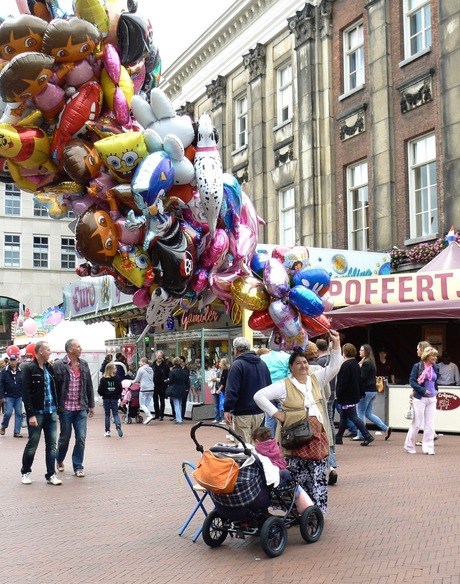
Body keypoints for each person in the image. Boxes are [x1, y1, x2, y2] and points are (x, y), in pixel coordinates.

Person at [254, 330, 342, 513]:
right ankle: (296, 509)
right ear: (291, 366)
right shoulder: (284, 385)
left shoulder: (315, 379)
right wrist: (277, 414)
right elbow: (259, 396)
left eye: (305, 363)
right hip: (295, 436)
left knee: (317, 473)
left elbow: (334, 367)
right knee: (296, 473)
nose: (303, 366)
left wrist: (336, 344)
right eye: (298, 363)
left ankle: (316, 511)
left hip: (317, 435)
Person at [20, 341, 62, 485]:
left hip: (51, 412)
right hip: (37, 412)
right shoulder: (29, 368)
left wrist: (58, 409)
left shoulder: (49, 368)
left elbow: (54, 389)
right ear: (40, 352)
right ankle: (25, 471)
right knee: (33, 443)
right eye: (48, 349)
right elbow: (26, 393)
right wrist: (30, 414)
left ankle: (51, 474)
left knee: (51, 444)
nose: (50, 352)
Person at [54, 339, 95, 478]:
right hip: (65, 408)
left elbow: (89, 385)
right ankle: (59, 459)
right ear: (70, 349)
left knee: (81, 437)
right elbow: (55, 388)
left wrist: (91, 405)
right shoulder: (59, 365)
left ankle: (78, 466)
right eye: (78, 346)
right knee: (65, 437)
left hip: (81, 407)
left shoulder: (84, 364)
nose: (81, 348)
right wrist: (56, 407)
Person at [224, 337, 272, 444]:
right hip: (259, 411)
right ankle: (255, 460)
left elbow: (232, 390)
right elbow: (269, 386)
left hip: (243, 411)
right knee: (256, 443)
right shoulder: (262, 364)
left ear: (236, 350)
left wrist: (227, 408)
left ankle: (247, 461)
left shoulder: (237, 365)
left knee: (243, 445)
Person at [335, 343, 375, 447]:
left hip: (346, 396)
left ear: (344, 353)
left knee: (353, 416)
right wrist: (361, 392)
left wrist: (338, 392)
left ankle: (367, 435)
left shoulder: (345, 365)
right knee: (343, 416)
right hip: (353, 395)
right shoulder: (355, 364)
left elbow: (342, 382)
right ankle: (339, 437)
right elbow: (359, 381)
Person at [404, 346, 439, 455]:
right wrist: (423, 390)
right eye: (433, 355)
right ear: (427, 356)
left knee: (429, 424)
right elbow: (412, 381)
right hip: (420, 398)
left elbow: (435, 382)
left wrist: (435, 392)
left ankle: (428, 448)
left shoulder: (436, 367)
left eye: (435, 355)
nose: (435, 357)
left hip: (432, 399)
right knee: (417, 423)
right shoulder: (417, 366)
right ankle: (409, 445)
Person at [354, 344, 392, 441]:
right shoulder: (372, 362)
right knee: (368, 413)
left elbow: (362, 378)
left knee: (360, 412)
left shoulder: (366, 363)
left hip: (366, 391)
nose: (359, 351)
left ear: (366, 352)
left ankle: (361, 433)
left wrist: (359, 367)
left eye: (361, 350)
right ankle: (385, 428)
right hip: (372, 391)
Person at [316, 338, 338, 486]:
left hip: (318, 400)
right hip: (329, 396)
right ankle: (331, 462)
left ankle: (329, 464)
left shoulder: (319, 364)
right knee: (328, 425)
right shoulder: (331, 361)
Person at [259, 349, 290, 437]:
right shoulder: (287, 357)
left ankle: (269, 440)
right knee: (281, 416)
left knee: (269, 417)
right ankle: (279, 439)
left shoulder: (263, 358)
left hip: (268, 390)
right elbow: (289, 374)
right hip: (282, 389)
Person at [0, 353, 24, 437]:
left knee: (19, 413)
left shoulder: (21, 370)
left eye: (14, 360)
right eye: (11, 360)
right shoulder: (4, 371)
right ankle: (3, 426)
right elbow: (1, 384)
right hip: (8, 396)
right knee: (8, 413)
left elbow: (23, 383)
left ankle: (17, 432)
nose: (12, 362)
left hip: (19, 396)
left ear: (17, 361)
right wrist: (2, 396)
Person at [98, 363, 123, 437]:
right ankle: (118, 426)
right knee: (115, 413)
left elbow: (100, 389)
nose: (116, 369)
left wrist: (103, 394)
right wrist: (118, 395)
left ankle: (107, 431)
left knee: (107, 414)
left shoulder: (103, 379)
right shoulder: (117, 378)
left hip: (106, 398)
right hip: (114, 398)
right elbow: (120, 388)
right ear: (111, 369)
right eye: (115, 368)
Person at [165, 357, 190, 424]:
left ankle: (178, 419)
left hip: (174, 388)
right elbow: (186, 380)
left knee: (176, 404)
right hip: (182, 388)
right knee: (180, 403)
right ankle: (180, 417)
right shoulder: (185, 371)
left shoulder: (172, 371)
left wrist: (166, 381)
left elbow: (170, 381)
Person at [133, 357, 155, 425]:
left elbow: (137, 379)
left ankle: (149, 415)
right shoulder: (151, 369)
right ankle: (148, 419)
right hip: (151, 387)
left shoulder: (141, 369)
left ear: (144, 362)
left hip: (144, 388)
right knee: (147, 404)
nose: (139, 363)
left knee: (142, 404)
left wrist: (132, 382)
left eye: (140, 362)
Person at [152, 350, 170, 421]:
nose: (159, 357)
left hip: (162, 385)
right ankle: (156, 414)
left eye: (160, 356)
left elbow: (168, 375)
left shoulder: (165, 365)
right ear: (156, 356)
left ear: (162, 356)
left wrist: (166, 382)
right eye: (158, 356)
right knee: (155, 400)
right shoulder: (153, 364)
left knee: (162, 401)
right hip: (154, 385)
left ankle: (161, 415)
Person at [216, 357, 230, 424]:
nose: (219, 363)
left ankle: (224, 419)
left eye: (221, 362)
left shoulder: (225, 371)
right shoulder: (226, 370)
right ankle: (223, 418)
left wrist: (219, 389)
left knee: (223, 404)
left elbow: (223, 382)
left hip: (224, 390)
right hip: (225, 389)